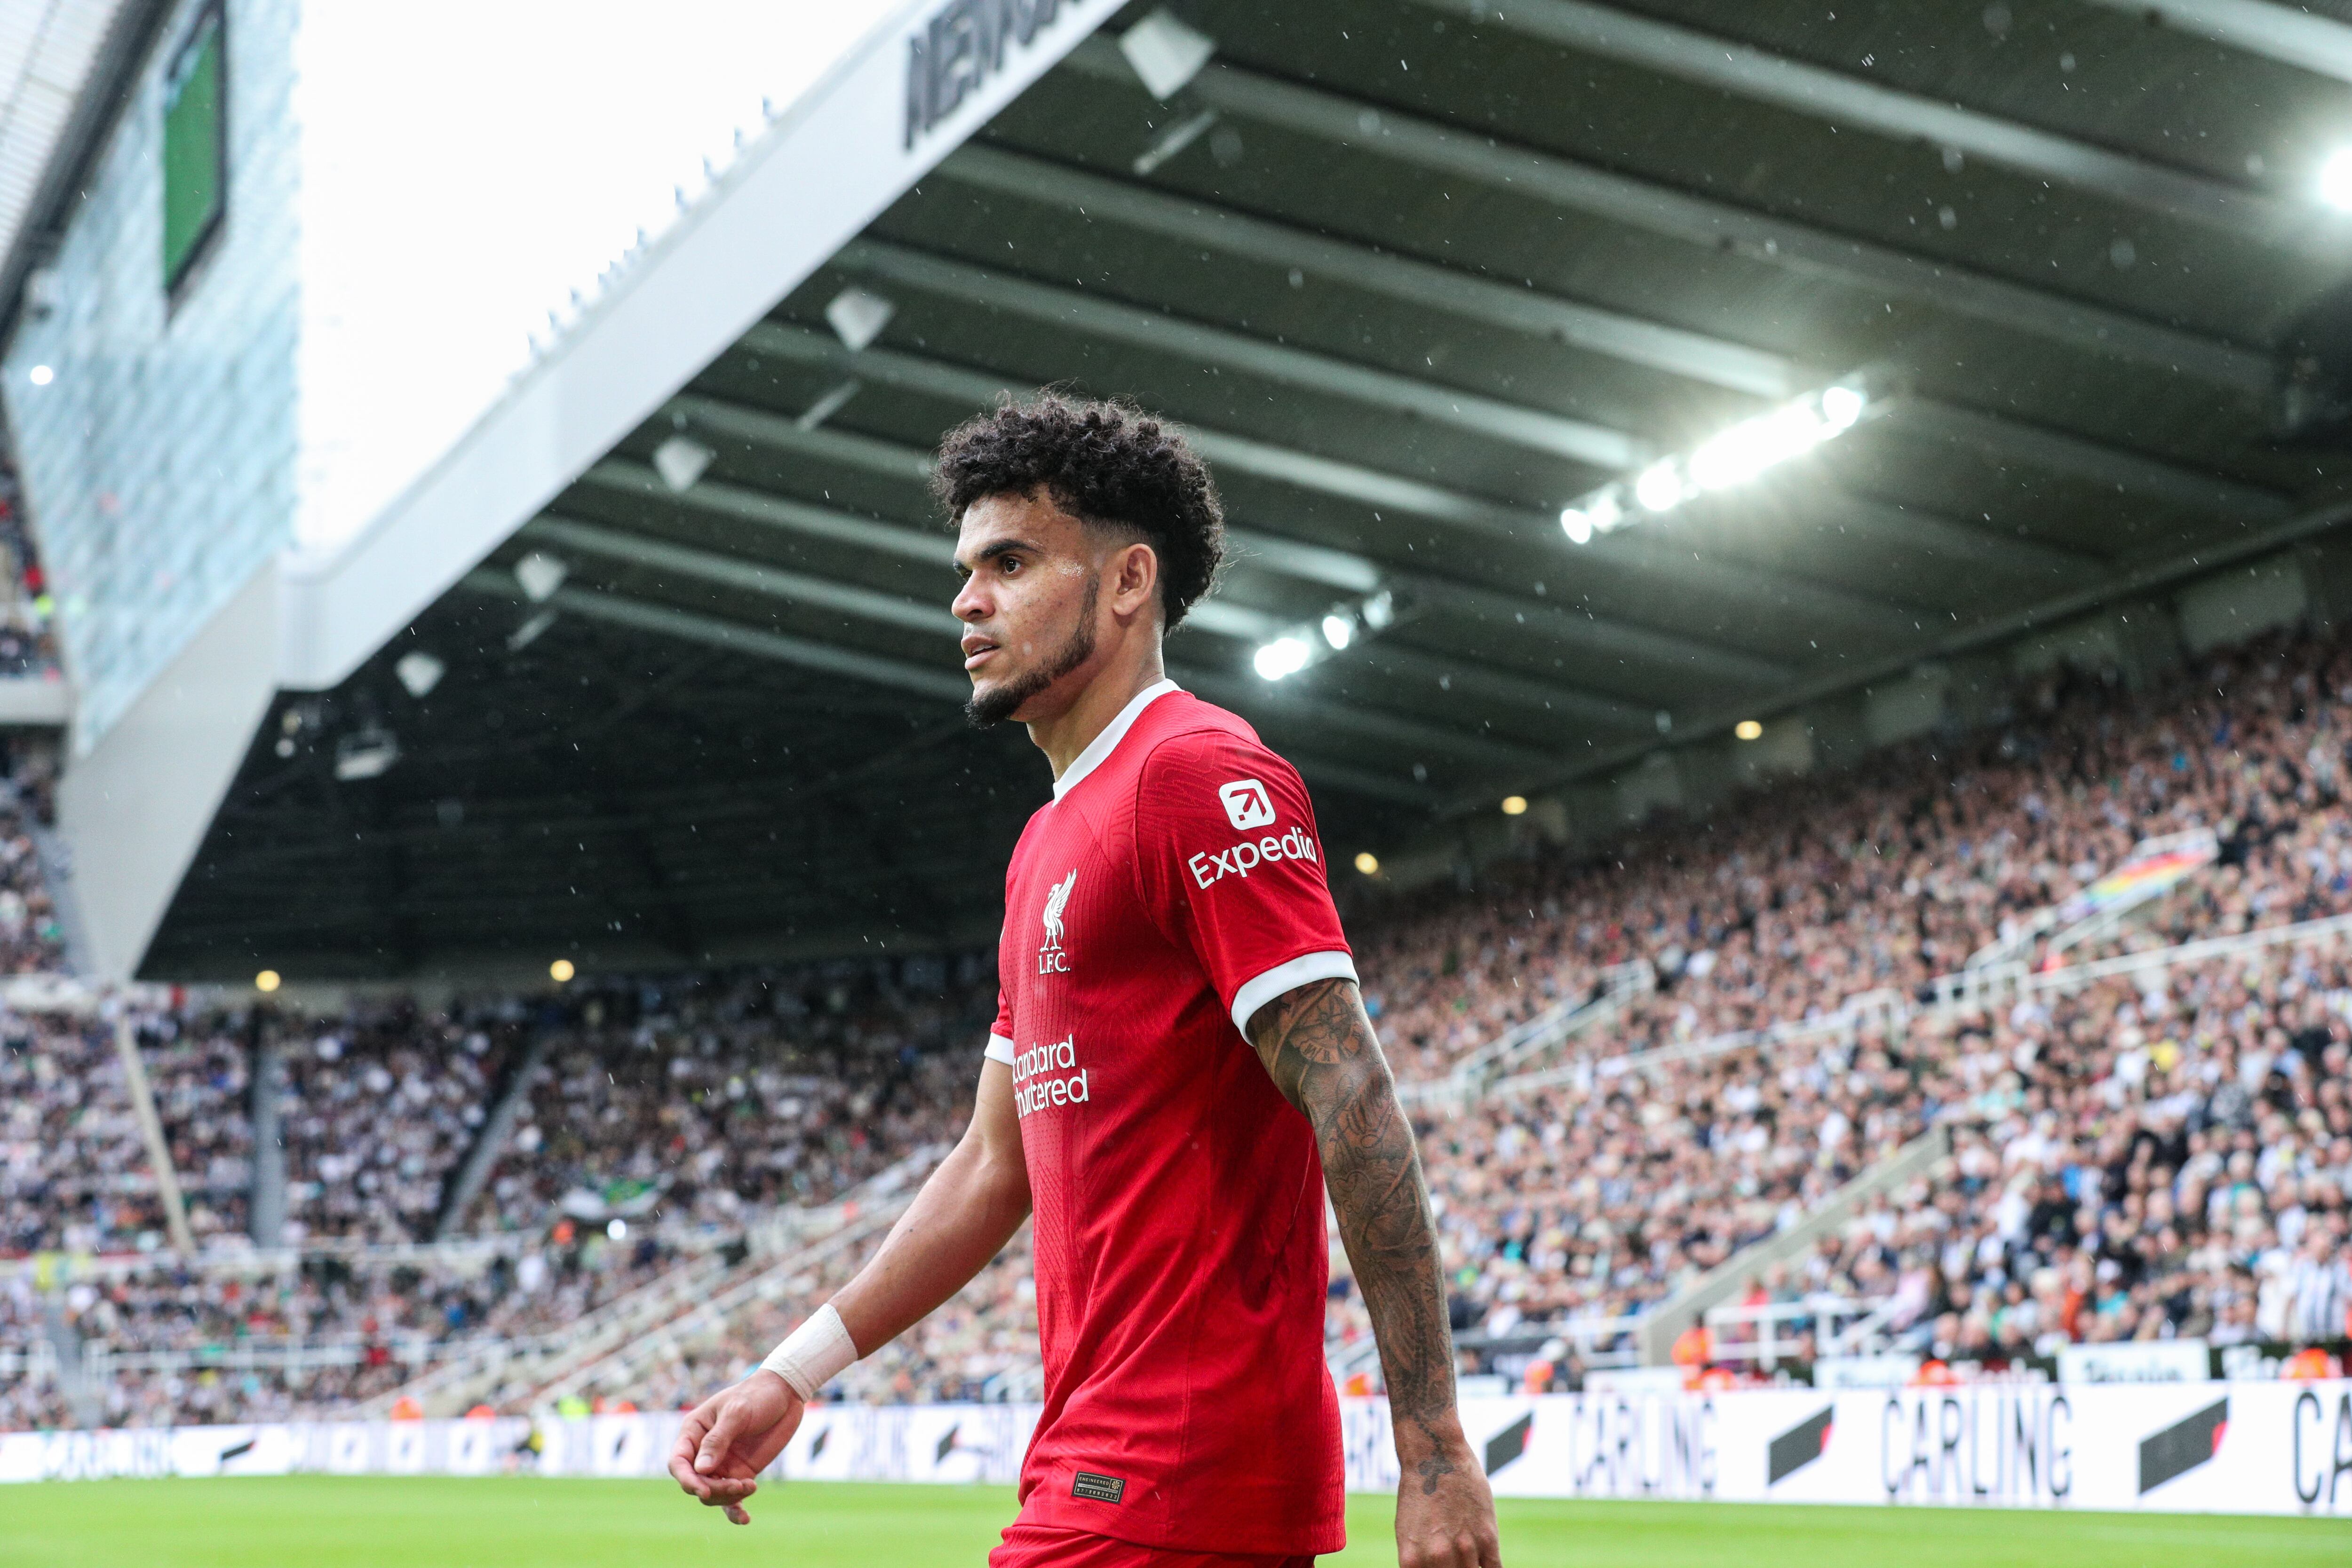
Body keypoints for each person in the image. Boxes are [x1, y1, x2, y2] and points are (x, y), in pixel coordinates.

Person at [669, 395, 1500, 1568]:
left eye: (1009, 562)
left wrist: (1434, 1450)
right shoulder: (1046, 844)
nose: (967, 599)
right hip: (1100, 1463)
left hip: (1177, 1467)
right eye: (965, 568)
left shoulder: (1194, 775)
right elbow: (992, 1160)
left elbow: (1351, 1095)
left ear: (1125, 583)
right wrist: (793, 1369)